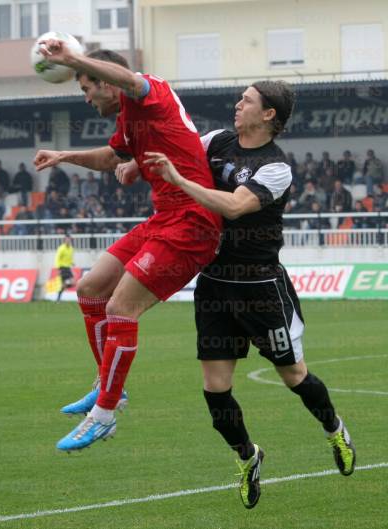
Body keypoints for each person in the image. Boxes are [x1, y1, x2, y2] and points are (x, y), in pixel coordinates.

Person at [136, 80, 356, 509]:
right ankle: (248, 456)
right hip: (215, 285)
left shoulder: (276, 168)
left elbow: (234, 206)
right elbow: (176, 147)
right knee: (215, 390)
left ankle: (335, 430)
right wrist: (133, 162)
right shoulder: (216, 140)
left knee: (294, 377)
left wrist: (177, 178)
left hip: (260, 289)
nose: (238, 105)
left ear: (269, 114)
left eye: (247, 100)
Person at [33, 42, 222, 451]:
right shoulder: (128, 120)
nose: (85, 98)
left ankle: (102, 415)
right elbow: (109, 157)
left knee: (121, 308)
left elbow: (129, 78)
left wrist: (70, 60)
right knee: (90, 288)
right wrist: (64, 156)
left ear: (105, 80)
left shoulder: (149, 91)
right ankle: (110, 388)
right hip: (164, 218)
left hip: (193, 222)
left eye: (86, 88)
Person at [54, 235, 75, 302]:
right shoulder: (61, 248)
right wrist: (58, 268)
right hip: (62, 267)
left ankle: (59, 294)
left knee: (72, 283)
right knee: (69, 282)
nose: (68, 241)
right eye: (67, 240)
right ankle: (58, 298)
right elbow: (57, 258)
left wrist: (72, 263)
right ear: (64, 240)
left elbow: (70, 258)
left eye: (69, 239)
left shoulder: (71, 248)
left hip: (68, 267)